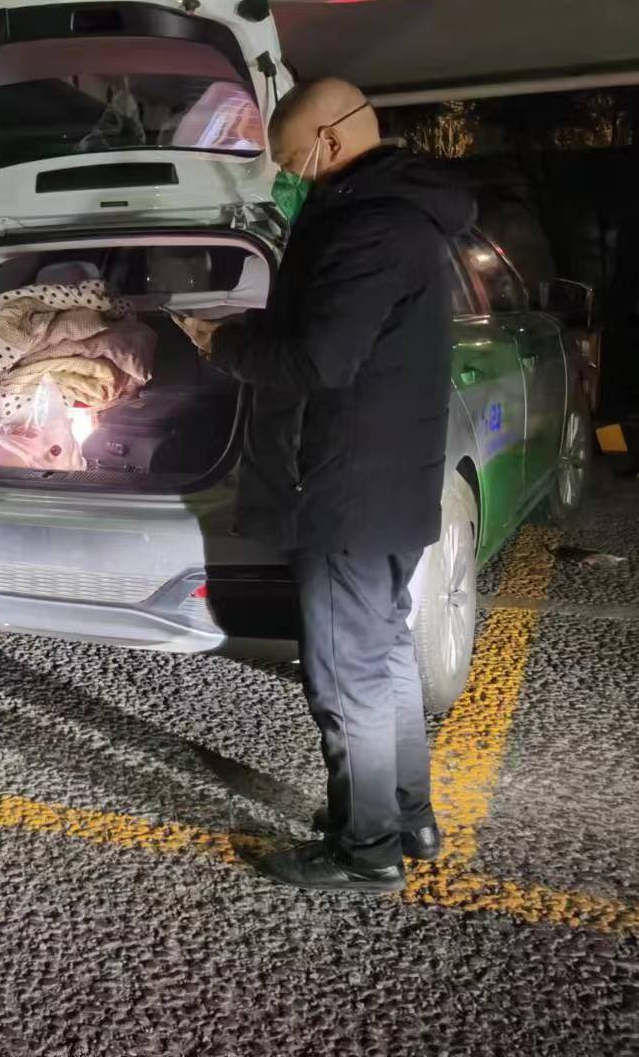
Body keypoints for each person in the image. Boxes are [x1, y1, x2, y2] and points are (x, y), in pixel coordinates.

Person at [175, 77, 475, 894]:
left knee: (347, 674)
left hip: (347, 490)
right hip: (385, 487)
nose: (288, 177)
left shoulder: (366, 227)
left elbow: (319, 360)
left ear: (329, 142)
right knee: (383, 656)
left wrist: (220, 345)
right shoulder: (397, 216)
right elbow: (338, 335)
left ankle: (364, 849)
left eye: (291, 161)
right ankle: (405, 816)